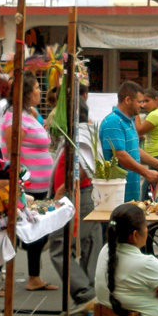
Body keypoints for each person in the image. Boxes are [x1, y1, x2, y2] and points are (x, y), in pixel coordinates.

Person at [0, 74, 58, 292]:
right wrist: (15, 185)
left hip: (41, 186)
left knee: (38, 230)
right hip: (27, 188)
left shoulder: (30, 115)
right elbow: (10, 154)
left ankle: (34, 277)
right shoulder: (14, 118)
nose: (39, 92)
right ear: (25, 93)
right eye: (36, 88)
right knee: (12, 232)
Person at [51, 100, 98, 305]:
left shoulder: (77, 138)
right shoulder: (81, 135)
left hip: (76, 196)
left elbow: (77, 168)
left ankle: (85, 293)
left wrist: (62, 192)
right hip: (82, 195)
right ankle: (89, 291)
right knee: (88, 244)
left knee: (60, 247)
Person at [100, 81, 158, 201]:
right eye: (140, 101)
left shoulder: (129, 121)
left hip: (131, 192)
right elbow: (120, 155)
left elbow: (135, 149)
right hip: (117, 195)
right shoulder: (113, 122)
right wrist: (146, 172)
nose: (143, 105)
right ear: (127, 100)